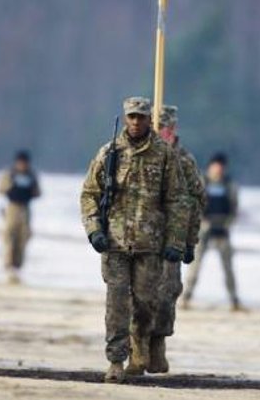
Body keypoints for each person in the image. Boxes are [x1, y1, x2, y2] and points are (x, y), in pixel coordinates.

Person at [79, 97, 187, 384]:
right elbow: (90, 192)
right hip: (114, 243)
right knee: (117, 303)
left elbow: (178, 200)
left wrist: (176, 240)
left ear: (148, 118)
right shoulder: (110, 152)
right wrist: (94, 229)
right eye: (132, 117)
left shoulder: (164, 154)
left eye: (141, 117)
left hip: (149, 245)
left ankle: (141, 346)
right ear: (125, 118)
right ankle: (116, 360)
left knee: (144, 302)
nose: (136, 122)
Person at [141, 105, 205, 374]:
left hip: (171, 239)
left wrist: (189, 240)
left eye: (163, 128)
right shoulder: (141, 155)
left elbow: (197, 200)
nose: (159, 133)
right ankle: (138, 345)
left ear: (173, 129)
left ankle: (158, 343)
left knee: (167, 294)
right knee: (141, 295)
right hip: (143, 236)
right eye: (154, 127)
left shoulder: (184, 160)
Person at [181, 152, 242, 311]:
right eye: (216, 166)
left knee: (228, 267)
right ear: (210, 166)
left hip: (223, 228)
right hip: (203, 229)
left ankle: (234, 300)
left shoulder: (229, 185)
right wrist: (201, 223)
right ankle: (186, 297)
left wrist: (227, 223)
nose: (219, 169)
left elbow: (234, 208)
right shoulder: (202, 182)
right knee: (195, 265)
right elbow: (194, 205)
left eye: (222, 166)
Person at [0, 150, 41, 284]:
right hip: (12, 208)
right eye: (21, 163)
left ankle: (17, 267)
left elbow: (38, 193)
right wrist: (12, 187)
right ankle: (9, 266)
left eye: (25, 163)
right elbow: (0, 189)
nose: (23, 165)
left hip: (25, 209)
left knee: (23, 238)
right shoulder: (10, 174)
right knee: (9, 237)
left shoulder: (31, 175)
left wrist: (29, 189)